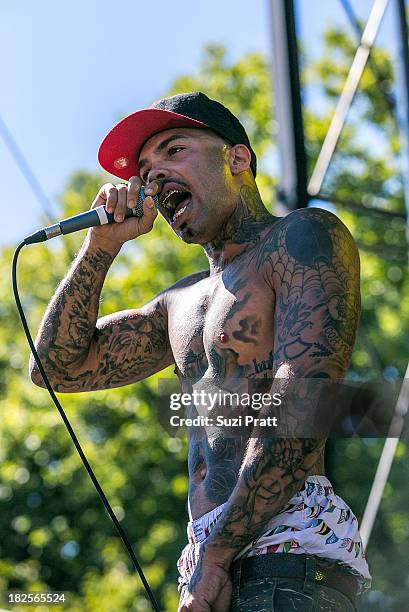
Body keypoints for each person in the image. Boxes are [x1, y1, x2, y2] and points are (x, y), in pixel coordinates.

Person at [30, 91, 371, 611]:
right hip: (210, 569)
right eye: (144, 170)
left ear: (237, 159)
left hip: (283, 562)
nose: (154, 176)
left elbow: (302, 408)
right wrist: (100, 248)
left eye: (173, 150)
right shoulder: (180, 304)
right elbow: (54, 369)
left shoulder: (301, 238)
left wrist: (217, 555)